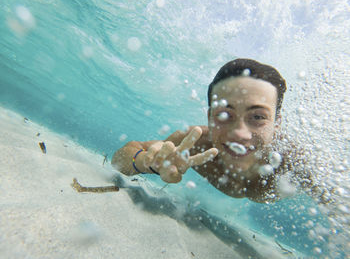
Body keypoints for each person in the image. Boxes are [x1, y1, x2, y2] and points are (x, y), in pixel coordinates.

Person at [112, 58, 328, 203]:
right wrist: (145, 163)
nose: (240, 133)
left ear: (277, 123)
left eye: (258, 117)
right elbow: (119, 159)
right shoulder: (193, 143)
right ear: (209, 117)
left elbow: (334, 203)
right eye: (224, 115)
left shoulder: (293, 162)